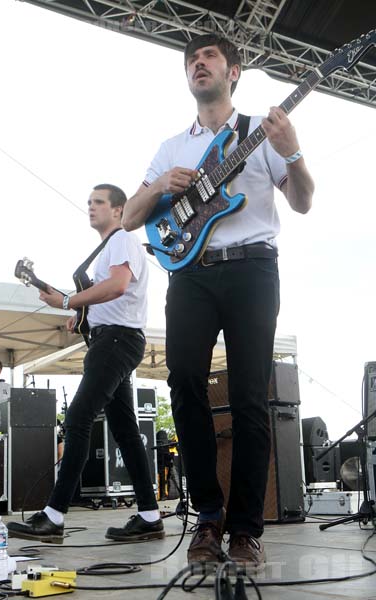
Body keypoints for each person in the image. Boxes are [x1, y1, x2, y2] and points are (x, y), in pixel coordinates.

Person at [122, 34, 314, 570]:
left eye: (207, 57)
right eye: (191, 60)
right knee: (183, 383)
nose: (197, 64)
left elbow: (301, 202)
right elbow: (132, 217)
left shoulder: (261, 132)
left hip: (253, 269)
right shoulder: (172, 147)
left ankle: (246, 530)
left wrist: (293, 150)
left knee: (252, 397)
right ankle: (208, 516)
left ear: (234, 71)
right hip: (192, 274)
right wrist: (161, 184)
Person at [7, 183, 164, 544]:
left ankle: (54, 516)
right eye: (89, 202)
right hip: (114, 338)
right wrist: (78, 314)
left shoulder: (122, 238)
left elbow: (118, 286)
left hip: (116, 342)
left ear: (118, 210)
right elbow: (104, 297)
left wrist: (70, 302)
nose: (90, 207)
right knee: (125, 431)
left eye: (98, 202)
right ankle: (150, 515)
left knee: (78, 418)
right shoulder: (109, 247)